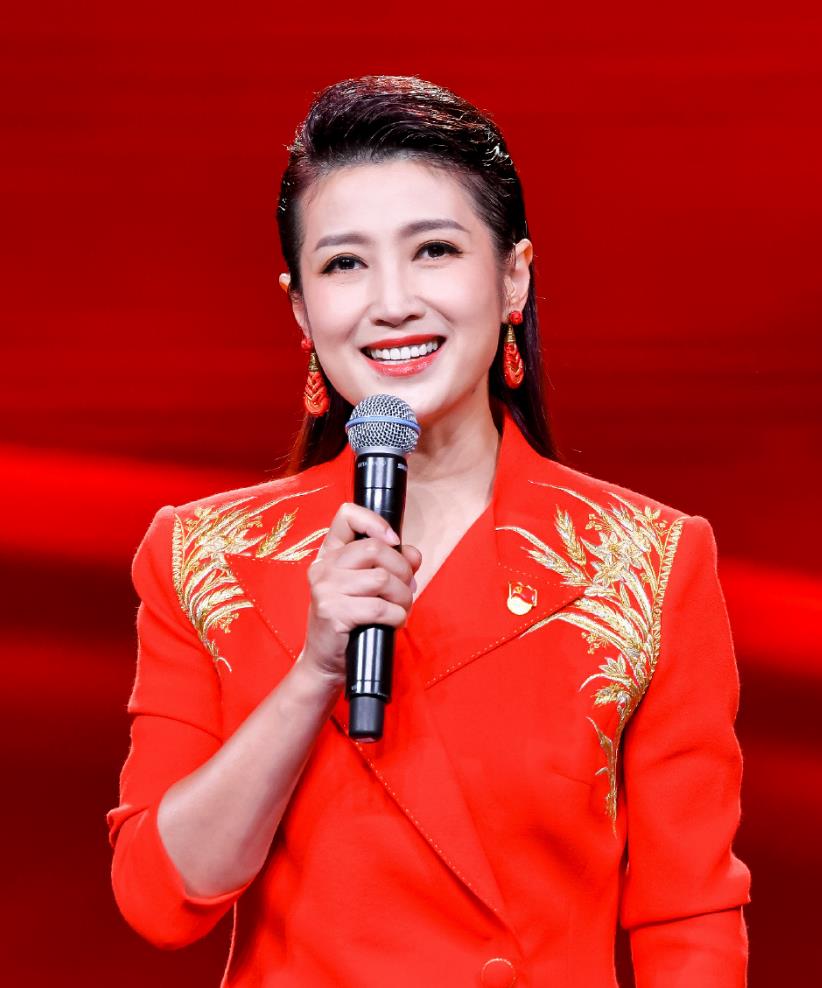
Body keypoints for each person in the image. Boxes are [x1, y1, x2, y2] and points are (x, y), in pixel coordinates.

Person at [107, 75, 751, 987]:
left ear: (513, 276)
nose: (393, 302)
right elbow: (159, 898)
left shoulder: (644, 561)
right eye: (345, 264)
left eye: (435, 250)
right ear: (301, 309)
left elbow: (690, 921)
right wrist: (313, 673)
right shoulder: (203, 558)